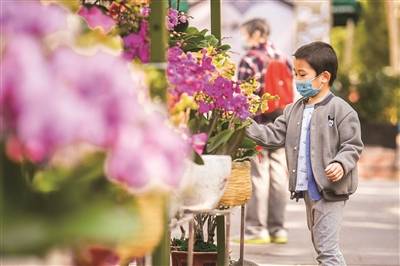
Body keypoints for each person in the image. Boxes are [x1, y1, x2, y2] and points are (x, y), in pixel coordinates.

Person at [246, 41, 364, 265]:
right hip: (309, 191)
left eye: (302, 74)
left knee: (327, 251)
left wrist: (340, 163)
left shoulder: (341, 110)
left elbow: (352, 145)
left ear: (324, 76)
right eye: (295, 74)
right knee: (321, 246)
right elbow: (273, 135)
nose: (297, 80)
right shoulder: (294, 109)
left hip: (330, 190)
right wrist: (243, 125)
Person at [237, 18, 291, 244]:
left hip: (257, 126)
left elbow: (240, 98)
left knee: (257, 176)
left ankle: (255, 230)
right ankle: (278, 229)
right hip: (280, 123)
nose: (243, 38)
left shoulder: (249, 59)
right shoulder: (283, 58)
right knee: (278, 175)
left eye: (246, 33)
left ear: (257, 33)